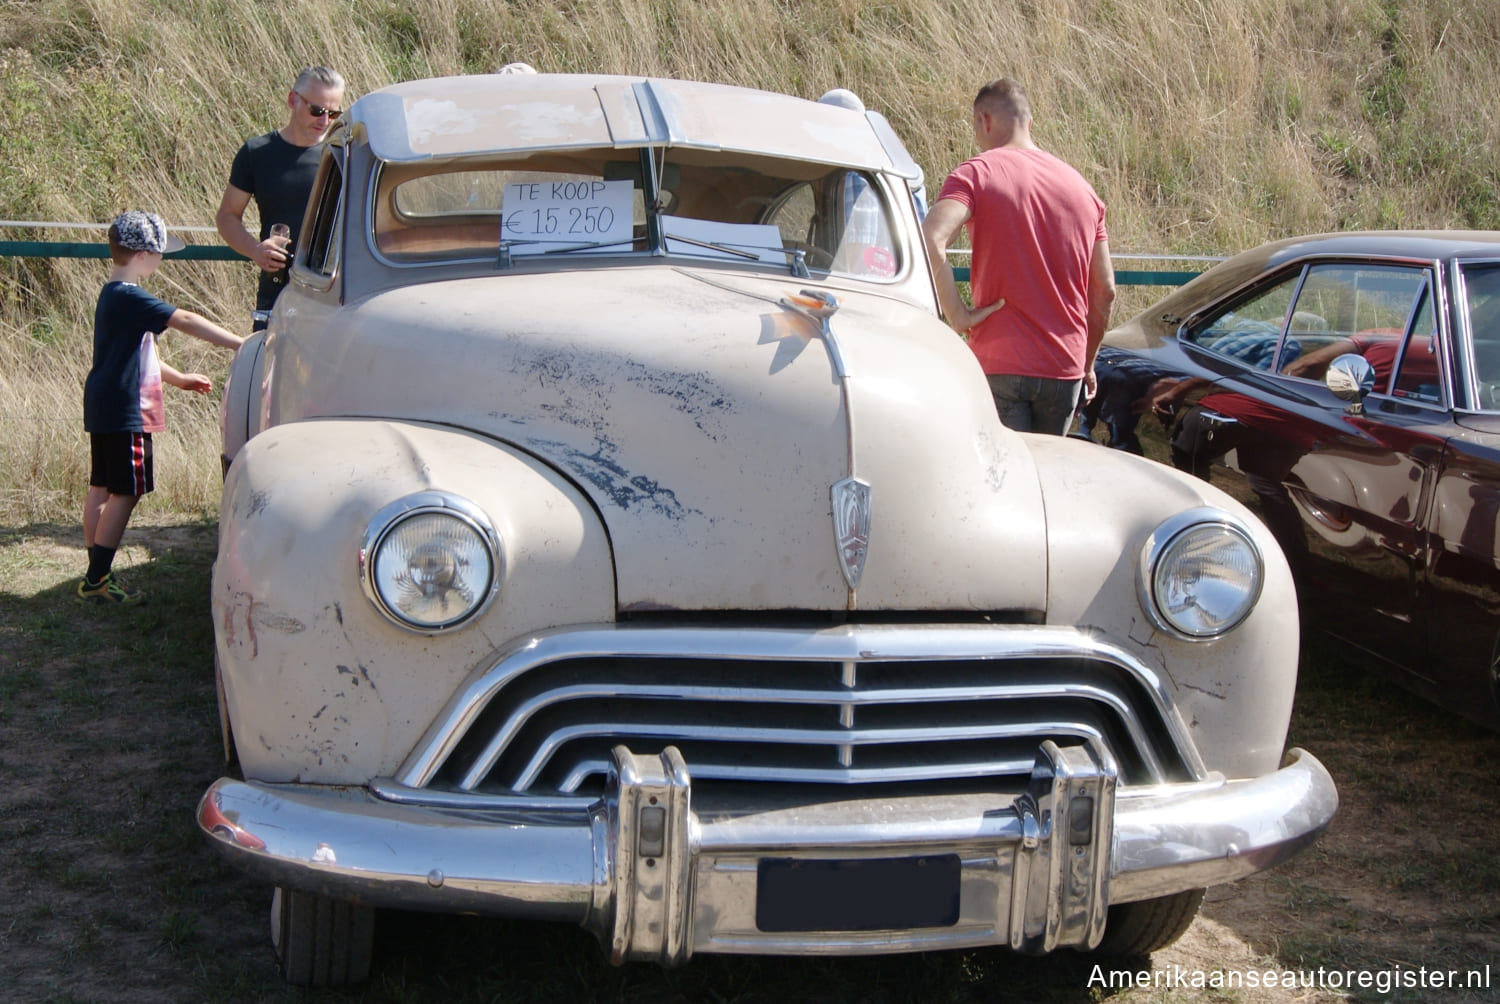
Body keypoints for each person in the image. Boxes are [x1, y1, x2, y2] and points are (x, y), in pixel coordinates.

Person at [922, 77, 1115, 435]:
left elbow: (932, 239)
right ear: (1030, 122)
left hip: (999, 359)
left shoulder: (976, 173)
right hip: (1064, 367)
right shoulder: (1083, 191)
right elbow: (1105, 291)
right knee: (1044, 477)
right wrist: (1086, 363)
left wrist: (958, 315)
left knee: (1003, 477)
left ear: (985, 119)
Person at [79, 211, 243, 605]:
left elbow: (139, 355)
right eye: (159, 253)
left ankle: (96, 569)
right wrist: (241, 343)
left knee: (101, 486)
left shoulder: (110, 294)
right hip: (124, 408)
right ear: (142, 255)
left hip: (104, 401)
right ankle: (97, 579)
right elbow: (184, 318)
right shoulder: (131, 297)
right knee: (127, 491)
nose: (162, 260)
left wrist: (180, 378)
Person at [216, 66, 345, 330]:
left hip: (332, 291)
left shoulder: (344, 155)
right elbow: (227, 216)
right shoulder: (257, 153)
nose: (324, 121)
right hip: (277, 291)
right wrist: (255, 250)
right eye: (317, 111)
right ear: (292, 100)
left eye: (334, 114)